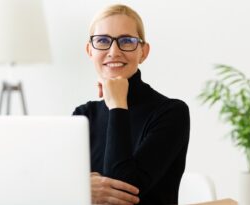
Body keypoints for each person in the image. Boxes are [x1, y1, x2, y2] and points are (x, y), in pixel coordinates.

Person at [73, 4, 190, 205]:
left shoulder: (172, 112)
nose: (113, 51)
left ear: (143, 52)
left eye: (127, 41)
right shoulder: (84, 115)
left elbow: (122, 191)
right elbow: (60, 185)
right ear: (89, 50)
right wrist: (81, 187)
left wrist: (117, 104)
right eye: (102, 40)